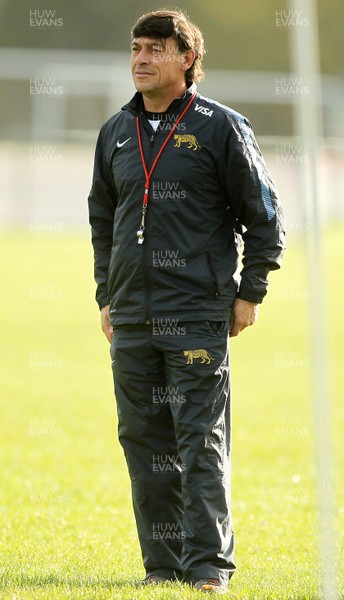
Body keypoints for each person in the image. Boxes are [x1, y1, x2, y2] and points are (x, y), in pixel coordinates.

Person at [88, 9, 285, 595]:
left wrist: (251, 292)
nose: (141, 58)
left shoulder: (221, 127)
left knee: (198, 440)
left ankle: (207, 568)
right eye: (136, 47)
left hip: (197, 314)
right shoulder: (116, 131)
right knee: (144, 441)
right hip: (131, 317)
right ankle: (162, 564)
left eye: (155, 48)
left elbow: (264, 217)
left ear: (186, 59)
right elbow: (103, 219)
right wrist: (106, 296)